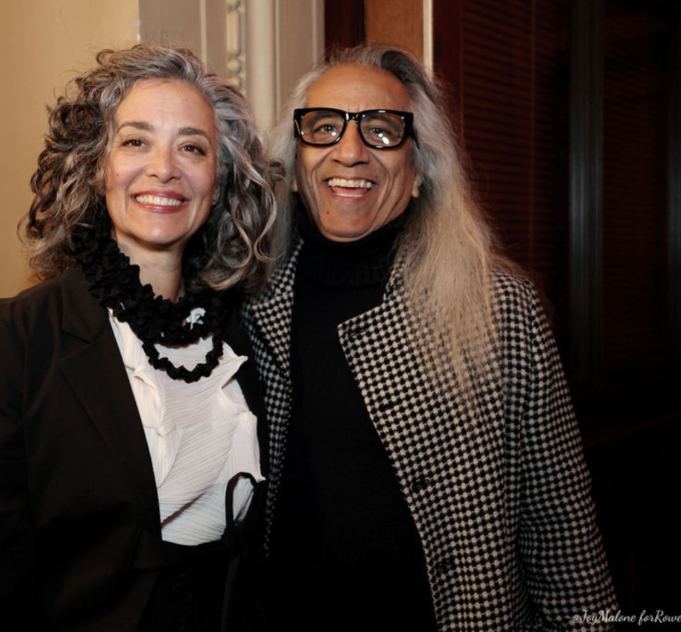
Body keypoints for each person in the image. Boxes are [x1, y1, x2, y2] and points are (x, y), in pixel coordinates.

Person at [0, 45, 279, 631]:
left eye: (192, 147)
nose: (164, 168)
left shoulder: (235, 337)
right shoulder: (9, 346)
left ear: (218, 180)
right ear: (96, 166)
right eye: (136, 141)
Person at [244, 44, 617, 630]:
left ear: (419, 171)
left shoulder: (499, 309)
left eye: (382, 131)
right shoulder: (247, 305)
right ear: (294, 165)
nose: (349, 151)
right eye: (324, 128)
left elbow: (563, 533)